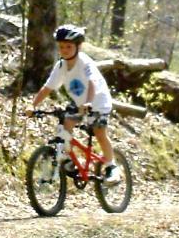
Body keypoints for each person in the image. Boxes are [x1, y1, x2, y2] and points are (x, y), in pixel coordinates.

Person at [29, 24, 122, 184]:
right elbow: (47, 88)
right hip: (79, 103)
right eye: (61, 46)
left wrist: (88, 102)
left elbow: (92, 82)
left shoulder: (84, 62)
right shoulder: (61, 66)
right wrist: (33, 105)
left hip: (98, 102)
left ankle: (111, 167)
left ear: (78, 47)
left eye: (68, 46)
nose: (64, 50)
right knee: (65, 126)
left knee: (99, 132)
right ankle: (69, 161)